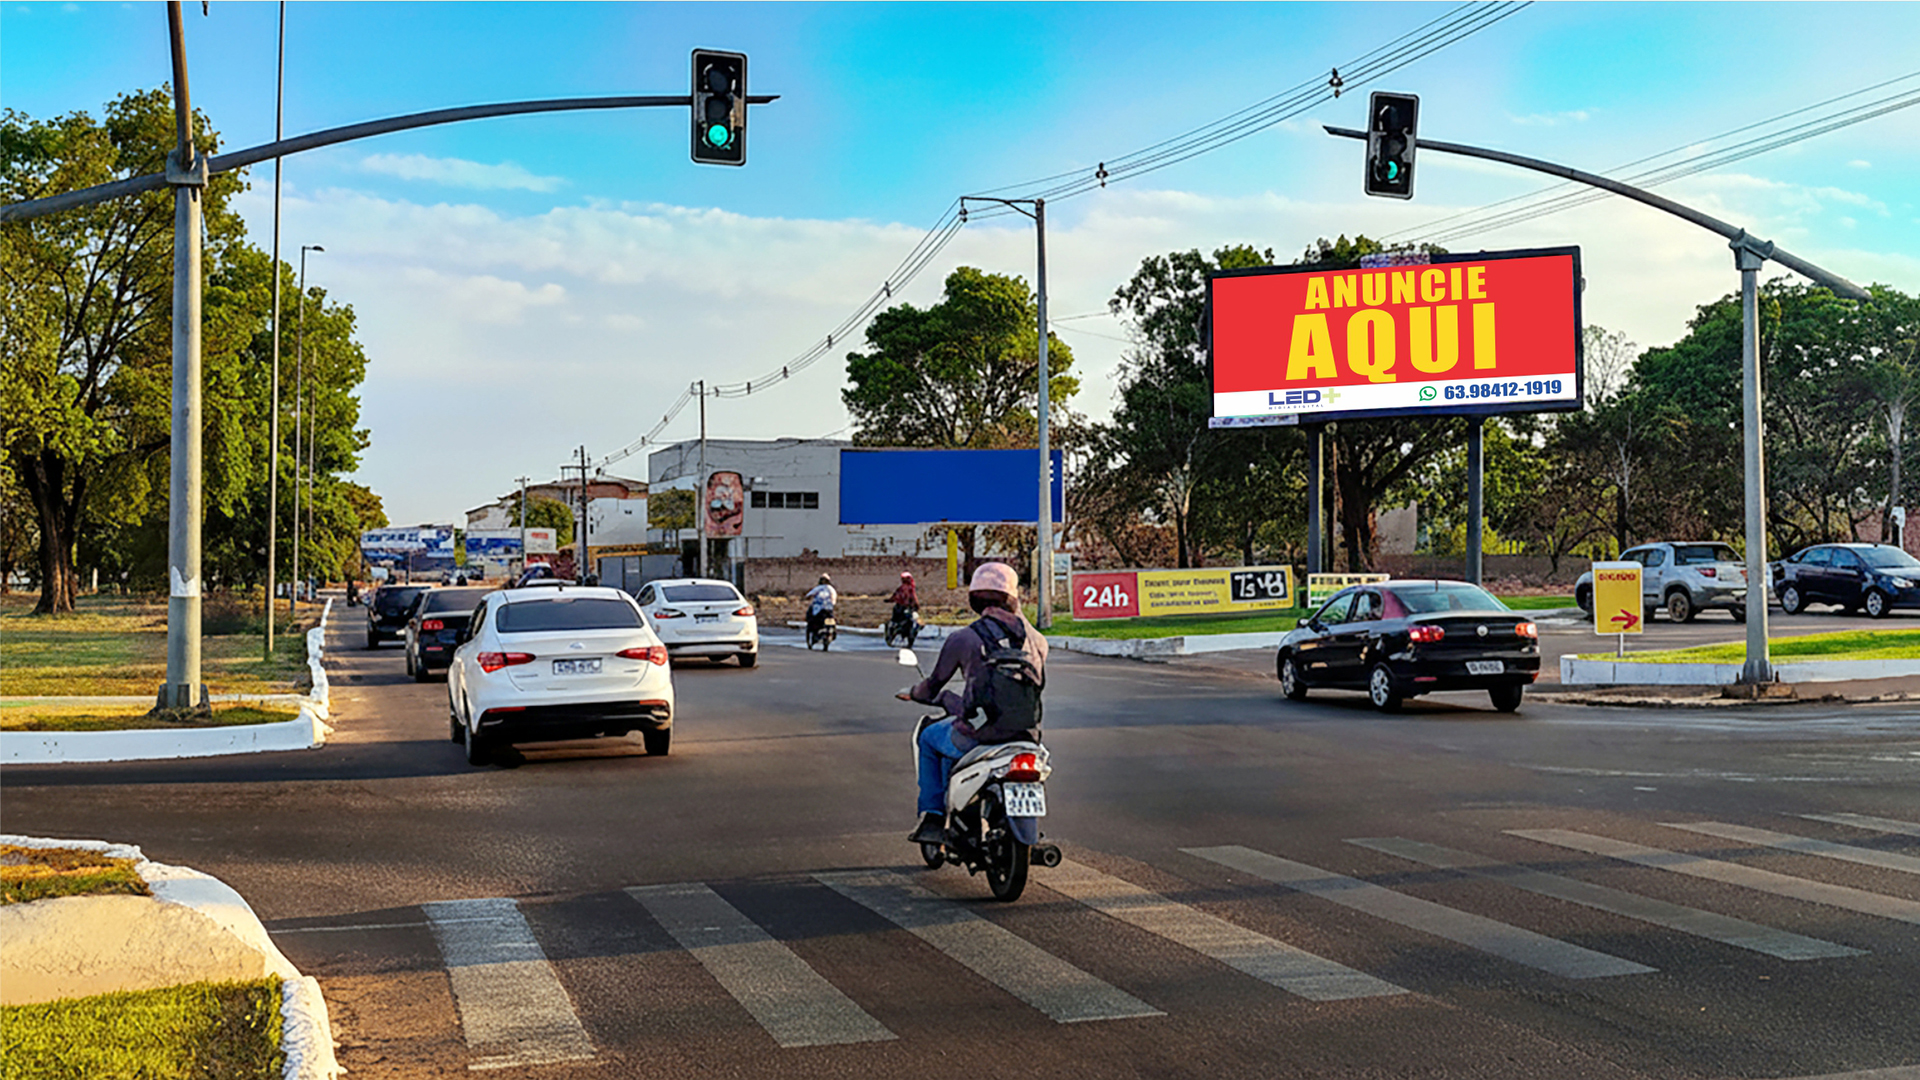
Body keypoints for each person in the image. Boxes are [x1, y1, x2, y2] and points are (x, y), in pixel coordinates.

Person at [897, 562, 1047, 844]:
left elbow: (932, 687)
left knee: (929, 737)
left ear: (975, 598)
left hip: (980, 736)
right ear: (1013, 598)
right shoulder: (1037, 640)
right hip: (1027, 736)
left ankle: (932, 815)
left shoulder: (963, 638)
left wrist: (916, 693)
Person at [804, 573, 837, 642]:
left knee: (812, 617)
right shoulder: (831, 589)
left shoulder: (818, 588)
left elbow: (809, 594)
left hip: (818, 607)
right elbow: (834, 598)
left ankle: (814, 629)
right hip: (829, 608)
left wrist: (805, 598)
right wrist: (832, 604)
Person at [888, 571, 918, 638]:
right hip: (904, 607)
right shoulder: (909, 588)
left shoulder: (902, 588)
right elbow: (913, 597)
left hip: (902, 607)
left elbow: (895, 596)